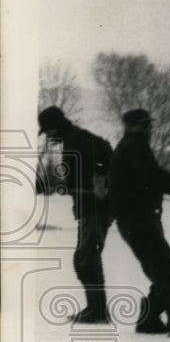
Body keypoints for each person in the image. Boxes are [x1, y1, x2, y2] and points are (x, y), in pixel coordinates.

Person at [108, 109, 170, 336]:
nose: (149, 129)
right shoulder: (134, 145)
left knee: (164, 268)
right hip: (137, 218)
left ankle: (150, 319)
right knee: (166, 269)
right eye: (144, 125)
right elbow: (153, 175)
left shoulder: (131, 145)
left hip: (137, 218)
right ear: (131, 127)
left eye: (149, 125)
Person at [36, 106, 114, 323]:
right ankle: (96, 309)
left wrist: (100, 179)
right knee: (83, 259)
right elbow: (74, 178)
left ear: (56, 126)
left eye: (48, 131)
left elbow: (106, 152)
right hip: (86, 207)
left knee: (87, 258)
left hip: (97, 208)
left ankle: (98, 312)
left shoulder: (80, 138)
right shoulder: (71, 141)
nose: (48, 136)